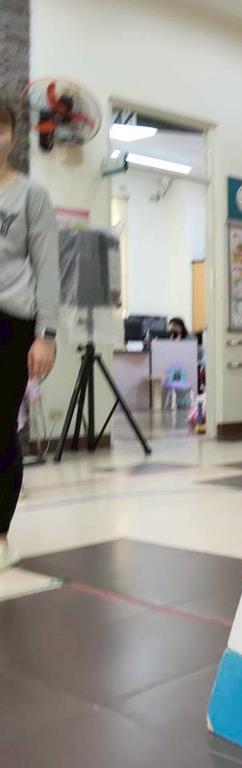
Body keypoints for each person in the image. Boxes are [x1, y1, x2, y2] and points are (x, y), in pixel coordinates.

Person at [0, 98, 59, 570]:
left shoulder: (30, 195)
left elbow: (47, 266)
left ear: (12, 136)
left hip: (12, 323)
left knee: (2, 429)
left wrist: (47, 333)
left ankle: (1, 537)